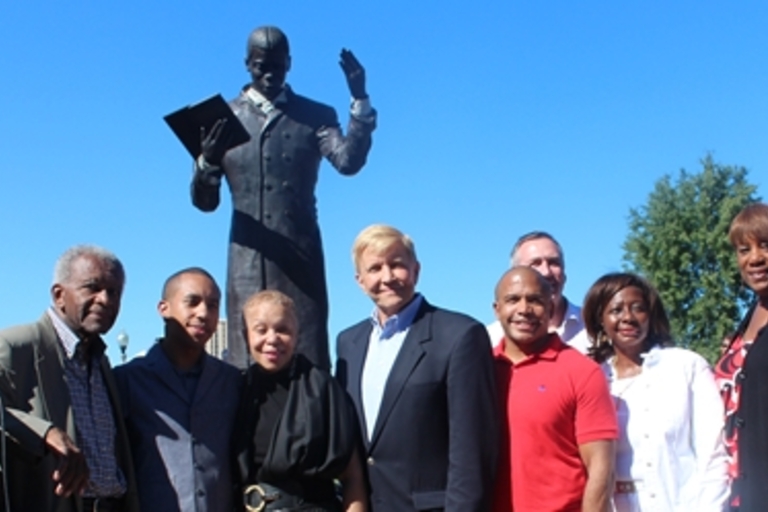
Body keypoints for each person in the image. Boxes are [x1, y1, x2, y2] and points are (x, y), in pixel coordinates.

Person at [191, 25, 376, 370]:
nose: (270, 74)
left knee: (308, 358)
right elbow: (205, 202)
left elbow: (348, 161)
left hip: (301, 261)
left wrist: (360, 100)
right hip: (246, 260)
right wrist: (208, 162)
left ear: (289, 63)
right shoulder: (220, 119)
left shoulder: (315, 115)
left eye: (278, 65)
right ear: (248, 63)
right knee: (247, 361)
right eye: (262, 65)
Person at [335, 224, 497, 512]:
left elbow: (472, 451)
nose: (387, 277)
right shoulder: (348, 343)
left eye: (397, 265)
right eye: (375, 268)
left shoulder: (460, 335)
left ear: (416, 270)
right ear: (359, 281)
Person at [0, 245, 139, 512]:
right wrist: (44, 433)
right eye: (92, 287)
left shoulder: (102, 363)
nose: (105, 300)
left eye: (114, 292)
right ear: (59, 295)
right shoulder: (16, 347)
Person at [583, 272, 728, 511]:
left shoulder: (686, 366)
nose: (628, 317)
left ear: (650, 315)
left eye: (638, 308)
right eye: (616, 310)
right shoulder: (592, 379)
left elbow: (713, 453)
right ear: (601, 319)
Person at [114, 268, 241, 512]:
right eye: (192, 302)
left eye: (213, 305)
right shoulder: (127, 380)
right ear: (164, 308)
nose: (203, 313)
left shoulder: (232, 382)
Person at [492, 266, 617, 512]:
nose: (524, 309)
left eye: (535, 300)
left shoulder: (582, 372)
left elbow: (601, 470)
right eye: (513, 299)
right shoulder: (478, 371)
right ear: (497, 310)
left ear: (551, 308)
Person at [233, 290, 366, 512]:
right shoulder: (236, 390)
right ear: (246, 335)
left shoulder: (323, 388)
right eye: (261, 330)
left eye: (283, 329)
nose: (272, 339)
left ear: (297, 335)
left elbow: (352, 476)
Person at [715, 202, 768, 511]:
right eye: (743, 250)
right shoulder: (749, 318)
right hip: (740, 492)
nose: (755, 258)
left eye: (765, 245)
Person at [486, 231, 590, 352]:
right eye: (535, 263)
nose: (546, 272)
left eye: (554, 263)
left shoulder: (592, 328)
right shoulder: (491, 339)